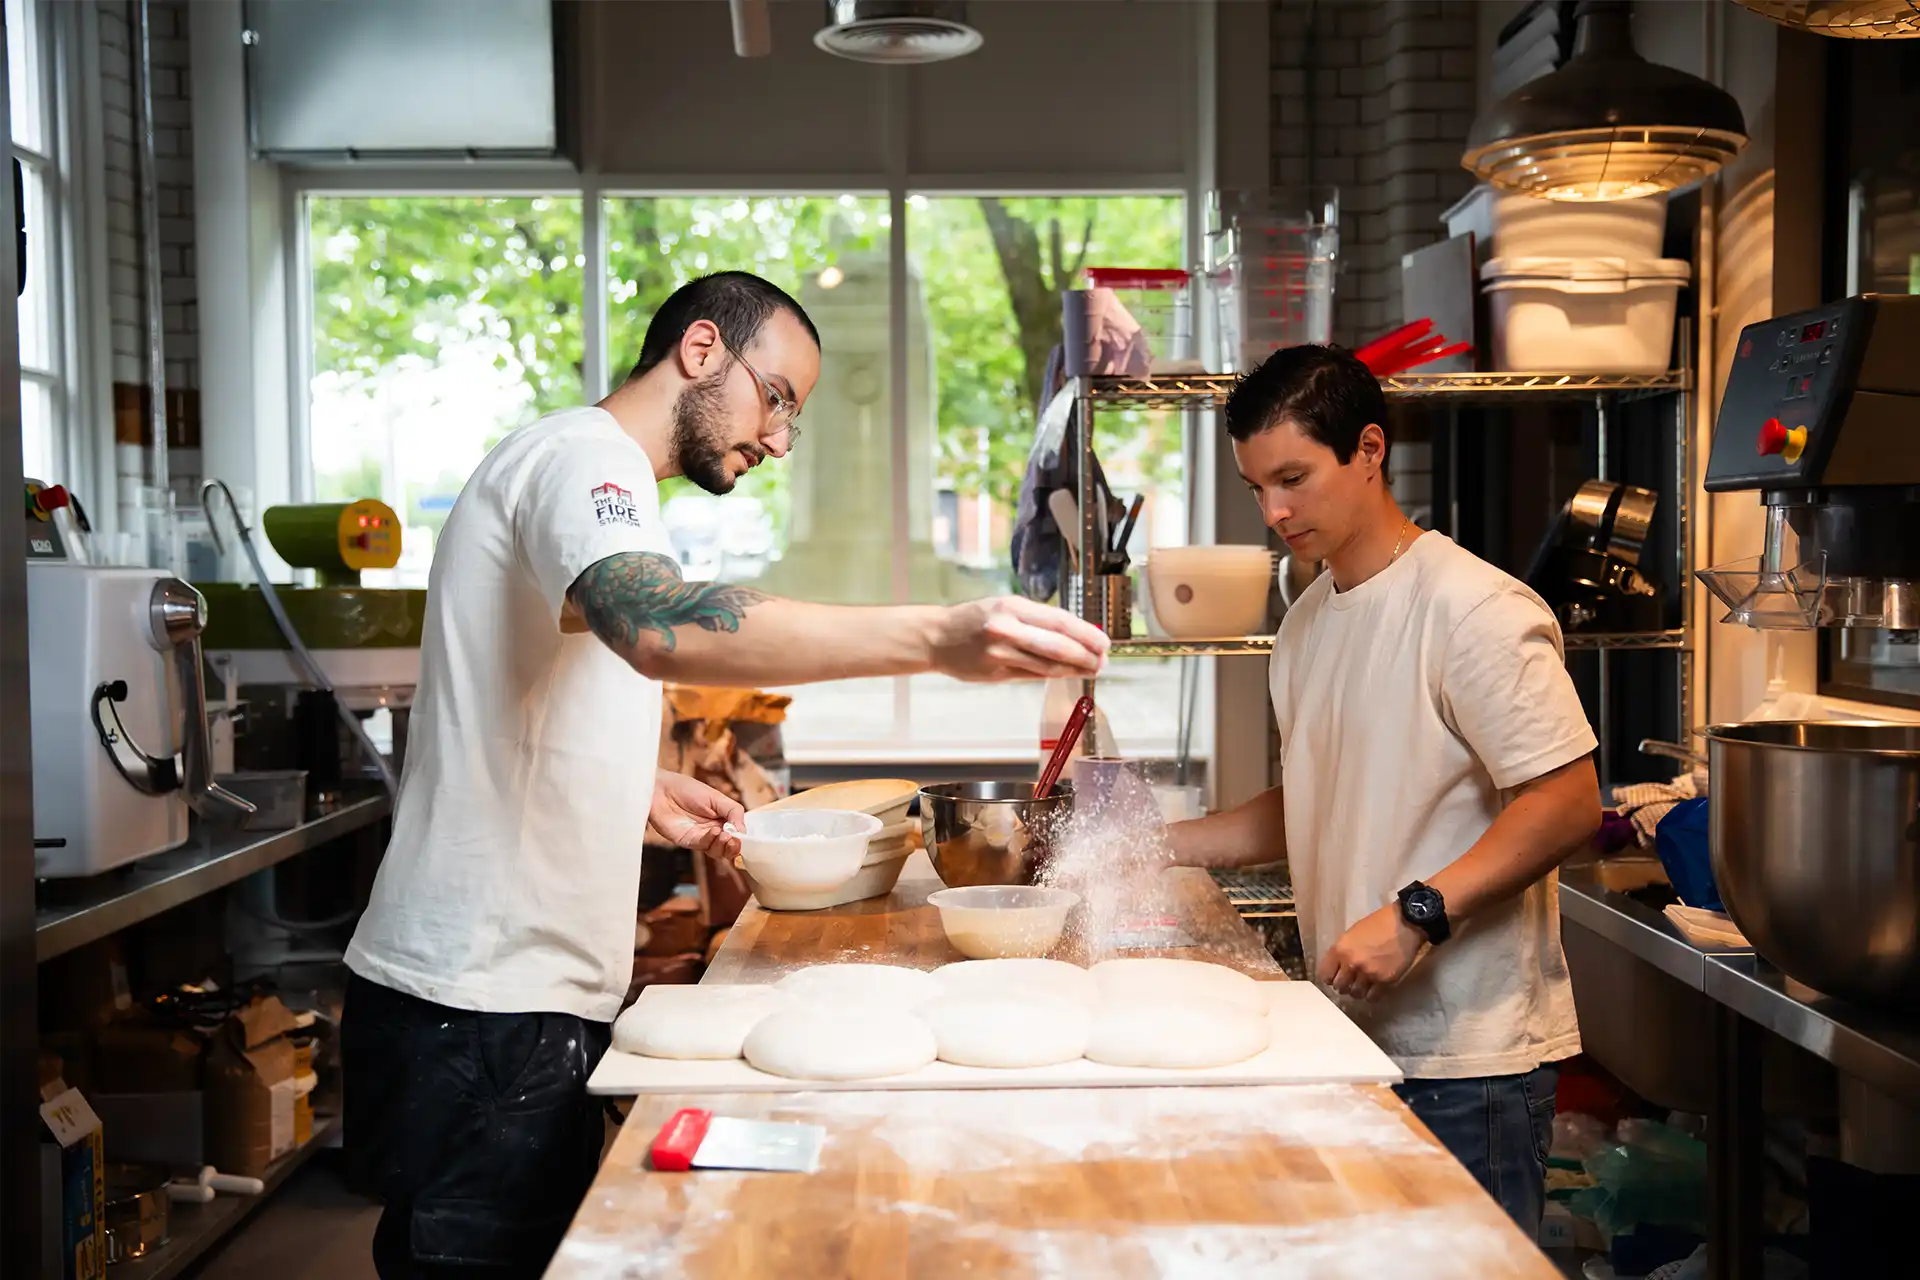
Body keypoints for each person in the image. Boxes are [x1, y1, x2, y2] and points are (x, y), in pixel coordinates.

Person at [340, 271, 1108, 1278]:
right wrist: (935, 634)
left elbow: (537, 675)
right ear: (701, 352)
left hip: (496, 997)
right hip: (481, 1006)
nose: (780, 440)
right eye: (778, 397)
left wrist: (634, 786)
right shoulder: (584, 459)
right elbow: (657, 624)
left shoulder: (582, 475)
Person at [1166, 345, 1600, 1235]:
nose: (1274, 512)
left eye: (1293, 477)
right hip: (1353, 1037)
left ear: (1369, 449)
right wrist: (1148, 839)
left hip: (1467, 1061)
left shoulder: (1473, 609)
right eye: (1256, 488)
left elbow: (1567, 803)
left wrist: (1415, 917)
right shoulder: (1309, 619)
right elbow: (1317, 799)